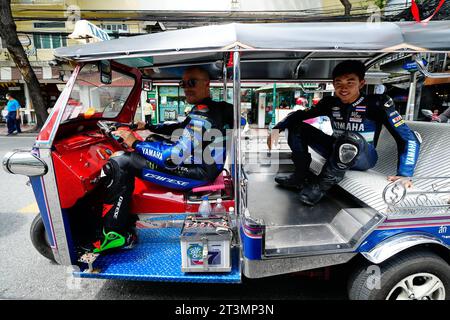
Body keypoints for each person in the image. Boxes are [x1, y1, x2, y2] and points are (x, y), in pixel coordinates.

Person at [91, 67, 234, 253]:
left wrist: (135, 143)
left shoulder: (202, 116)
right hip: (206, 166)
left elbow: (172, 159)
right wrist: (148, 126)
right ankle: (126, 218)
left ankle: (114, 234)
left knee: (121, 162)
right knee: (151, 140)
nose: (186, 88)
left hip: (198, 174)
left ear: (207, 84)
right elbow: (180, 127)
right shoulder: (216, 108)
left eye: (192, 82)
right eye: (183, 83)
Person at [267, 60, 421, 206]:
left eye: (350, 82)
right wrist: (278, 127)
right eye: (338, 83)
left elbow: (410, 139)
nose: (343, 88)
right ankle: (300, 176)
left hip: (364, 158)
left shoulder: (377, 104)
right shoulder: (330, 103)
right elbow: (301, 115)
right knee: (298, 127)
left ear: (361, 83)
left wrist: (404, 174)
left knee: (349, 138)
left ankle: (320, 186)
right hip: (336, 149)